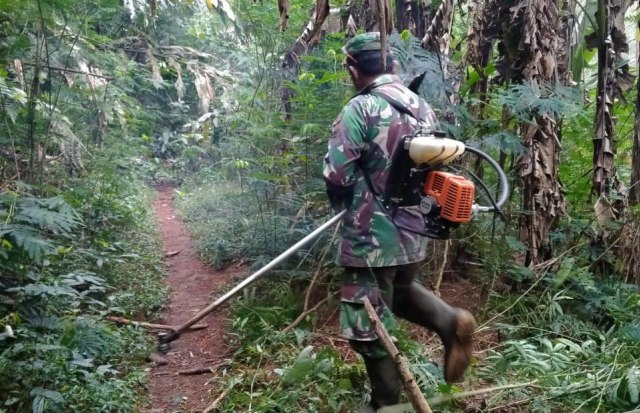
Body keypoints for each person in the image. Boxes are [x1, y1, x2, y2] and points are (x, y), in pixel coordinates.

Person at [323, 32, 477, 412]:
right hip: (413, 229)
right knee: (403, 292)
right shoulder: (422, 108)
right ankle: (451, 320)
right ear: (392, 65)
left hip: (369, 235)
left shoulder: (360, 109)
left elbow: (337, 175)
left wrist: (342, 195)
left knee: (367, 323)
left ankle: (385, 405)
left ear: (353, 68)